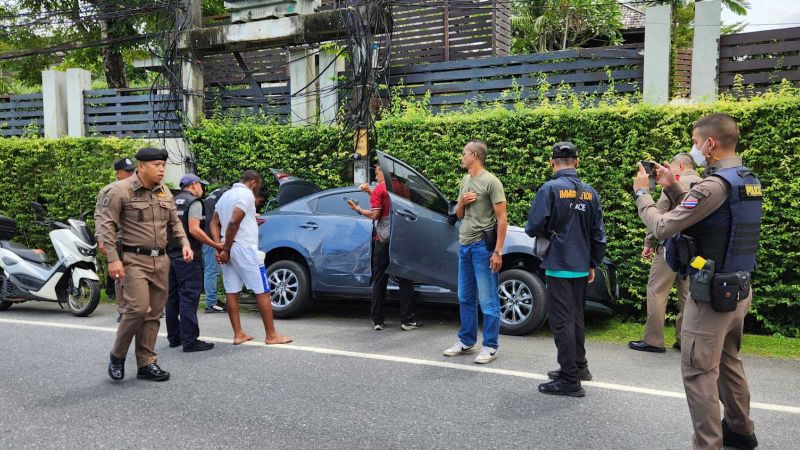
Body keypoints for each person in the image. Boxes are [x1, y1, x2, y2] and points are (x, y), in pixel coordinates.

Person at [634, 113, 761, 450]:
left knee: (698, 371)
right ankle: (740, 430)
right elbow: (714, 218)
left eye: (695, 141)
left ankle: (708, 444)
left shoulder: (713, 185)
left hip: (710, 296)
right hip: (738, 289)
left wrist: (642, 195)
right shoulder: (746, 180)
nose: (695, 148)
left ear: (710, 144)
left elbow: (662, 227)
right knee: (729, 361)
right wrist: (673, 187)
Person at [100, 147, 193, 382]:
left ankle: (146, 363)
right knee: (137, 309)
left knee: (153, 314)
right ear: (141, 167)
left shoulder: (164, 193)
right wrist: (113, 259)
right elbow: (106, 227)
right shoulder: (119, 191)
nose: (161, 169)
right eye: (156, 165)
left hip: (161, 260)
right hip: (132, 260)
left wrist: (184, 243)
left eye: (163, 165)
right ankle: (117, 355)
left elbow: (175, 223)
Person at [525, 142, 606, 397]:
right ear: (577, 162)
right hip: (582, 266)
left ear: (552, 163)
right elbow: (598, 235)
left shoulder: (549, 189)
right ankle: (579, 367)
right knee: (576, 319)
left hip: (558, 265)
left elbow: (532, 227)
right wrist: (593, 263)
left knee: (561, 322)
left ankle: (570, 380)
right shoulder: (590, 192)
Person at [442, 139, 507, 364]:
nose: (461, 157)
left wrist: (497, 251)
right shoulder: (465, 179)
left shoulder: (492, 182)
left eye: (464, 153)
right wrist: (461, 202)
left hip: (482, 247)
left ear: (475, 156)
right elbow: (459, 215)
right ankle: (466, 341)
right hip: (465, 246)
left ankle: (490, 346)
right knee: (465, 297)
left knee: (488, 299)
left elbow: (502, 219)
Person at [209, 170, 292, 346]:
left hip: (227, 246)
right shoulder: (245, 194)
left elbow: (214, 222)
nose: (257, 191)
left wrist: (220, 247)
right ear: (253, 182)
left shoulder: (225, 195)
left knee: (232, 291)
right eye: (258, 186)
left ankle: (238, 334)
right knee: (262, 289)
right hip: (243, 248)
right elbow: (234, 222)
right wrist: (227, 248)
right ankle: (271, 335)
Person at [629, 153, 702, 353]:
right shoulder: (705, 185)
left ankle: (653, 340)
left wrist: (649, 243)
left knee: (657, 292)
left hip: (670, 247)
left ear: (678, 166)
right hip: (694, 251)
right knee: (687, 295)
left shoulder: (674, 184)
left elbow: (658, 215)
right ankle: (684, 340)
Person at [347, 164, 419, 331]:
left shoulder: (380, 188)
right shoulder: (404, 188)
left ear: (384, 173)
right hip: (401, 238)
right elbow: (389, 204)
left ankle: (378, 320)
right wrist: (369, 192)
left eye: (377, 171)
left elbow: (376, 214)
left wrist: (357, 209)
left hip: (383, 240)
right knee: (405, 279)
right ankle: (407, 320)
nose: (376, 175)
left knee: (380, 279)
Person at [165, 174, 224, 352]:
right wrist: (215, 245)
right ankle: (190, 340)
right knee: (189, 297)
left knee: (173, 297)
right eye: (201, 185)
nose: (202, 189)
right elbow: (194, 229)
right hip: (189, 255)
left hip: (171, 255)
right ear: (193, 185)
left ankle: (174, 338)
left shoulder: (173, 201)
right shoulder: (195, 203)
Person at [94, 157, 135, 323]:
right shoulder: (109, 190)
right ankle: (124, 309)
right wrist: (102, 239)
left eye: (133, 170)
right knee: (121, 275)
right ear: (118, 173)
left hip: (137, 237)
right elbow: (100, 216)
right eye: (128, 171)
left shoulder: (139, 187)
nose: (132, 174)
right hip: (118, 238)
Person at [201, 185, 230, 313]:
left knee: (211, 269)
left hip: (206, 235)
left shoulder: (216, 193)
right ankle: (211, 303)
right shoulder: (227, 194)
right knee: (211, 270)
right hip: (212, 237)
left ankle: (212, 301)